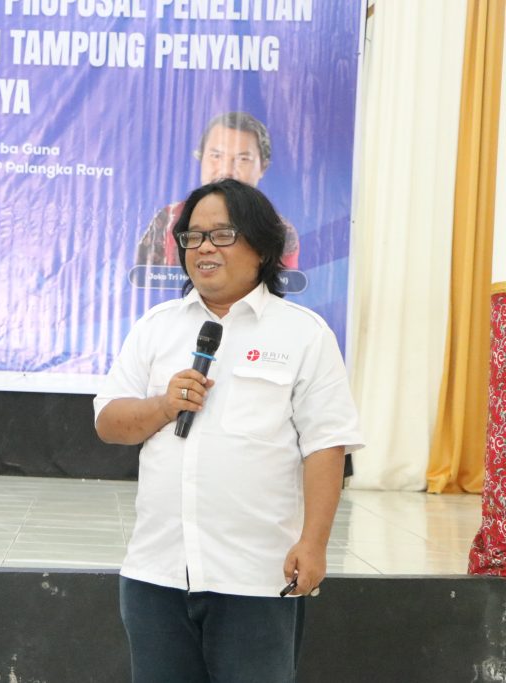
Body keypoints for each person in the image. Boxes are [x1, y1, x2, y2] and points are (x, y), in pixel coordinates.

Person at [96, 179, 362, 682]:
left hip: (257, 577)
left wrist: (314, 544)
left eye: (222, 234)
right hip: (157, 573)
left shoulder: (304, 334)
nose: (204, 248)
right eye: (193, 237)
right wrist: (163, 405)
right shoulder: (156, 326)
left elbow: (326, 446)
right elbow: (109, 423)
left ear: (261, 247)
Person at [135, 111, 300, 269]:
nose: (226, 171)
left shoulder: (279, 231)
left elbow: (283, 286)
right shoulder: (169, 220)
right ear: (201, 158)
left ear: (263, 167)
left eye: (243, 159)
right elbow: (144, 282)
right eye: (216, 156)